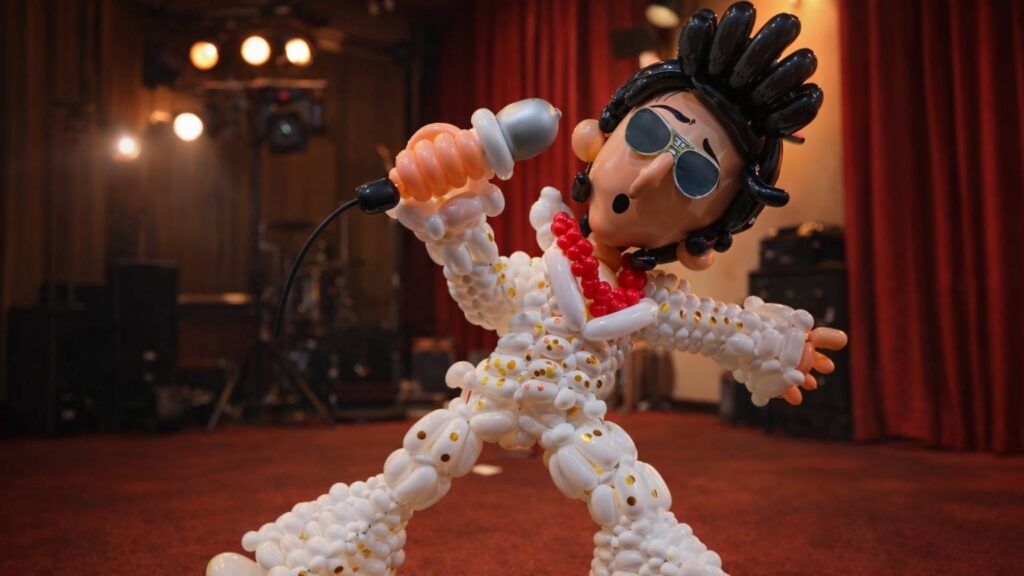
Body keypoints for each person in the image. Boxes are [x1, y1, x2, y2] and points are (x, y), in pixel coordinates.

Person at [207, 3, 846, 575]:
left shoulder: (646, 300)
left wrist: (779, 346)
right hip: (490, 393)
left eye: (694, 174)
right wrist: (458, 223)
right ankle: (306, 564)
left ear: (701, 239)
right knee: (412, 470)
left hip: (577, 418)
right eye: (650, 135)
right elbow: (485, 297)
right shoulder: (543, 267)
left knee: (631, 501)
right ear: (596, 141)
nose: (651, 175)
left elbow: (716, 327)